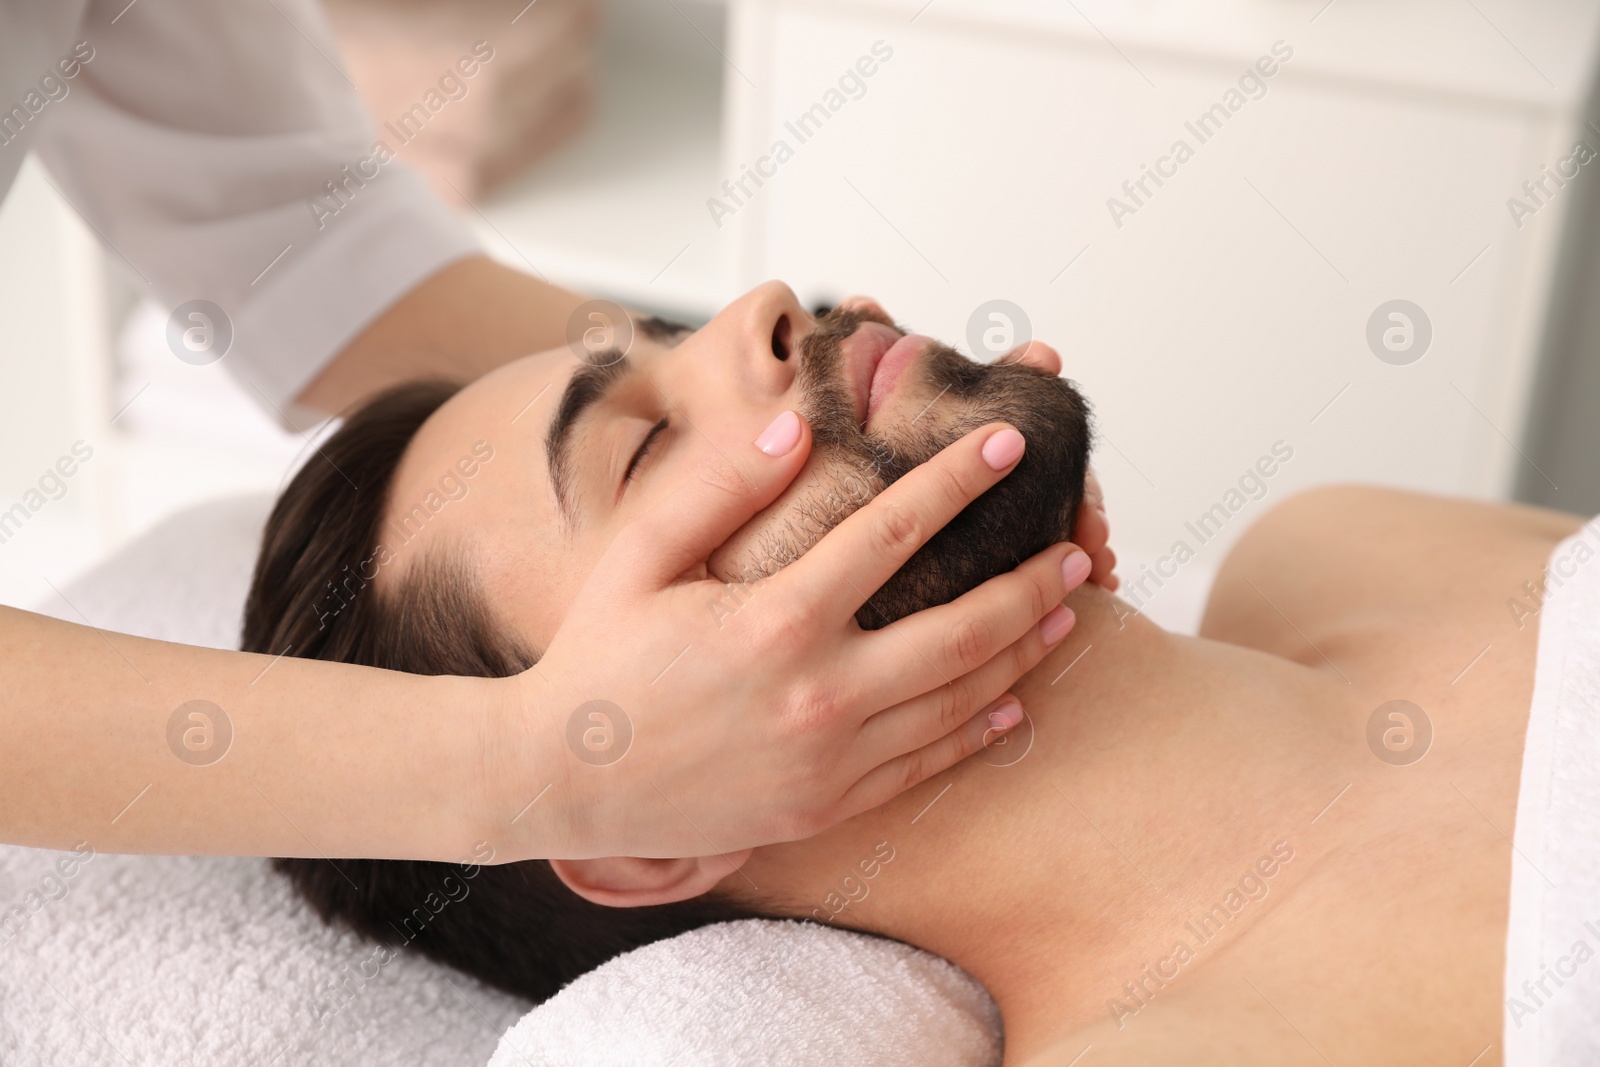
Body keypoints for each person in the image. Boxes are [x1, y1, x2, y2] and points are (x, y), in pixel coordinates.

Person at [243, 279, 1588, 1062]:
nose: (764, 304)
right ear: (644, 827)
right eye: (643, 448)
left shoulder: (1344, 546)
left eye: (674, 330)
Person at [0, 1, 1114, 862]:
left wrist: (864, 417)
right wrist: (549, 761)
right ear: (648, 851)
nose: (767, 301)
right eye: (639, 454)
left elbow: (287, 227)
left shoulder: (1292, 559)